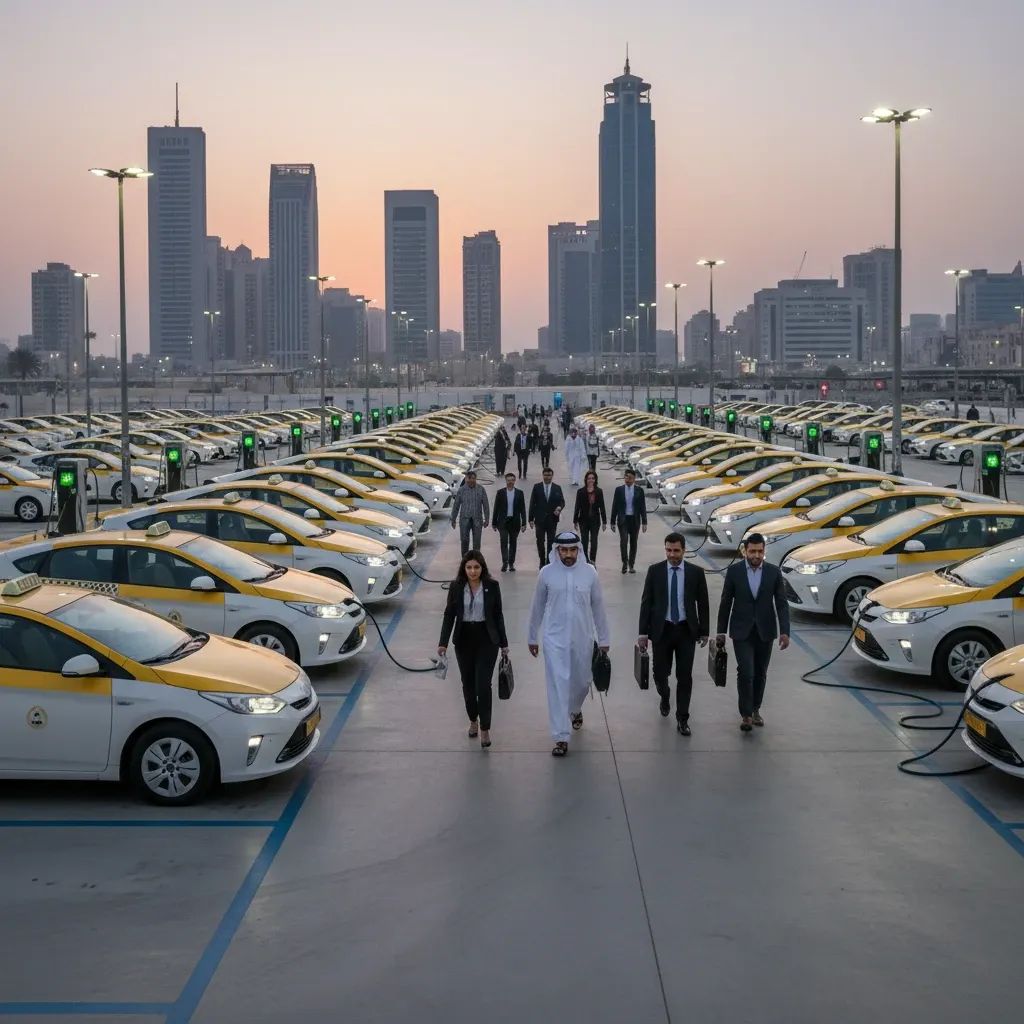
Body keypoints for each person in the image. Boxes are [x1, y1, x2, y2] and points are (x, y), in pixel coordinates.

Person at [528, 531, 611, 756]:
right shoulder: (546, 574)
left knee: (583, 682)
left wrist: (604, 639)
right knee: (557, 685)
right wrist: (532, 636)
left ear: (579, 550)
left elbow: (599, 607)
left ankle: (575, 709)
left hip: (583, 638)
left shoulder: (590, 573)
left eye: (572, 550)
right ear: (556, 550)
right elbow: (536, 607)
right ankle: (561, 736)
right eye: (563, 550)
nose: (568, 554)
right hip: (554, 639)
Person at [716, 533, 790, 733]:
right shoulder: (734, 572)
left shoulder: (774, 573)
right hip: (742, 631)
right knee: (746, 672)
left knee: (760, 673)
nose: (756, 555)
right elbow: (725, 602)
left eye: (760, 551)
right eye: (752, 551)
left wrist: (785, 631)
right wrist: (720, 632)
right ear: (745, 551)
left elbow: (781, 604)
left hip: (765, 631)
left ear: (764, 551)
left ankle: (756, 708)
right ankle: (746, 715)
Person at [638, 532, 709, 736]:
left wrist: (704, 631)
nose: (672, 554)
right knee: (660, 674)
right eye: (668, 550)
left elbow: (702, 603)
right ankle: (665, 694)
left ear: (684, 550)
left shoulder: (696, 573)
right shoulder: (655, 571)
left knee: (684, 676)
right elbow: (646, 603)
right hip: (662, 630)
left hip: (686, 631)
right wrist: (643, 633)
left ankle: (682, 718)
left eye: (676, 550)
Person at [438, 550, 509, 750]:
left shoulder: (492, 586)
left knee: (483, 685)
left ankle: (485, 727)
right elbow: (449, 614)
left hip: (487, 639)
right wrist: (442, 642)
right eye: (469, 567)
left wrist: (504, 644)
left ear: (482, 568)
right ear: (464, 568)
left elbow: (498, 616)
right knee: (467, 684)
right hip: (464, 640)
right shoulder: (456, 587)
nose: (472, 571)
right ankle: (473, 720)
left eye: (476, 567)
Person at [610, 468, 647, 573]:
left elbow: (642, 507)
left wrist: (644, 522)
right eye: (626, 477)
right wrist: (612, 521)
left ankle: (631, 564)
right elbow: (615, 506)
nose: (628, 480)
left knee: (633, 542)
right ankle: (624, 563)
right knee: (624, 540)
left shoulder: (639, 491)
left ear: (634, 479)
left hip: (635, 520)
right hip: (623, 519)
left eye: (630, 478)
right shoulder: (619, 490)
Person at [528, 467, 564, 568]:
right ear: (542, 475)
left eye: (549, 475)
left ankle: (549, 561)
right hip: (539, 519)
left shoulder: (557, 488)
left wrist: (559, 507)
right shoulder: (537, 487)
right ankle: (542, 560)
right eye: (545, 475)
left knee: (551, 541)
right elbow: (532, 503)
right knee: (540, 541)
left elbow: (562, 501)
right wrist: (530, 519)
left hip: (552, 519)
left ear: (552, 476)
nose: (547, 477)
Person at [450, 470, 490, 556]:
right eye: (469, 478)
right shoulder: (461, 490)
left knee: (477, 541)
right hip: (464, 519)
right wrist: (453, 519)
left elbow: (486, 505)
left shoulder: (481, 489)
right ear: (466, 479)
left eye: (473, 478)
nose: (471, 480)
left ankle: (476, 558)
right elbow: (456, 506)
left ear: (476, 479)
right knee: (464, 540)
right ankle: (465, 558)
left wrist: (487, 519)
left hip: (477, 520)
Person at [492, 471, 527, 572]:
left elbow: (522, 509)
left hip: (515, 522)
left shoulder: (520, 493)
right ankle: (505, 562)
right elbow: (496, 508)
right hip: (502, 522)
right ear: (505, 481)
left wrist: (524, 523)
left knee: (513, 543)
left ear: (515, 481)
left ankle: (511, 563)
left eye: (512, 480)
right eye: (508, 480)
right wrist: (494, 522)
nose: (510, 482)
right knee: (503, 541)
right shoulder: (500, 493)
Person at [572, 470, 607, 564]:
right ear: (586, 480)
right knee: (584, 540)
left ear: (595, 480)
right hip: (583, 520)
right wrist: (575, 520)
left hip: (595, 520)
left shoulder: (599, 491)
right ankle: (585, 559)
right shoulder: (580, 492)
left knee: (594, 540)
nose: (591, 480)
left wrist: (604, 522)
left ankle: (592, 559)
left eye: (593, 478)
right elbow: (577, 506)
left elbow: (602, 507)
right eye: (589, 478)